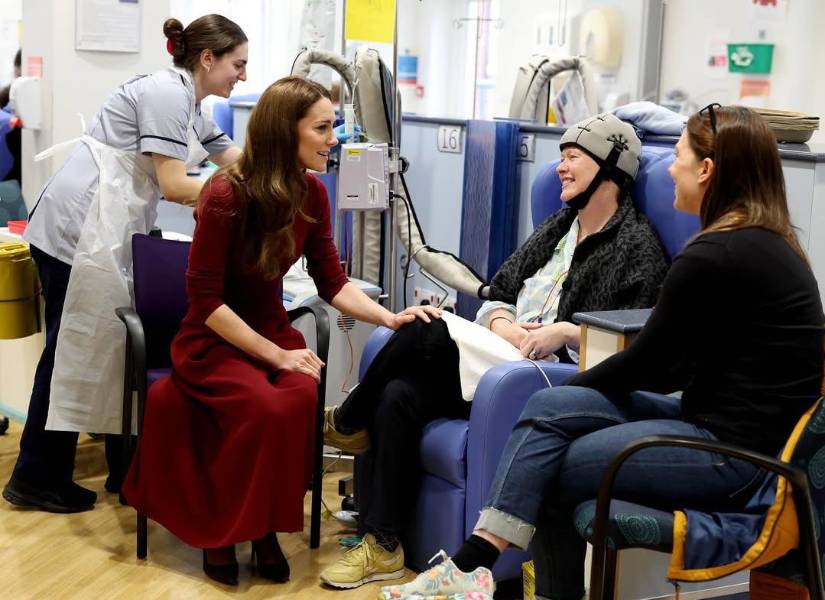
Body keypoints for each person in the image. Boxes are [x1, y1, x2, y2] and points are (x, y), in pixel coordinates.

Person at [384, 105, 825, 600]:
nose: (670, 170)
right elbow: (669, 367)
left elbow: (651, 366)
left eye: (679, 157)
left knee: (550, 464)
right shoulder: (764, 243)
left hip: (736, 458)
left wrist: (575, 383)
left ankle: (473, 568)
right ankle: (473, 570)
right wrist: (567, 395)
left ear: (707, 170)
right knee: (551, 406)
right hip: (718, 424)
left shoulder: (715, 255)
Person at [319, 114, 669, 590]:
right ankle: (383, 544)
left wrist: (564, 331)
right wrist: (502, 322)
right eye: (561, 157)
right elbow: (498, 292)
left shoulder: (638, 248)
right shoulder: (558, 227)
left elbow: (632, 347)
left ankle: (346, 422)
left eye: (573, 158)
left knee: (426, 329)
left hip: (544, 376)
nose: (561, 168)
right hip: (502, 354)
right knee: (399, 391)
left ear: (612, 169)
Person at [120, 76, 440, 586]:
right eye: (322, 127)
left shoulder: (313, 193)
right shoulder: (225, 194)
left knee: (296, 399)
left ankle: (265, 528)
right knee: (263, 404)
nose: (333, 139)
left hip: (273, 333)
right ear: (282, 131)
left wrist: (390, 317)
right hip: (214, 341)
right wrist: (276, 356)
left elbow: (333, 282)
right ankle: (223, 535)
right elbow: (206, 303)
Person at [2, 15, 248, 514]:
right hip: (77, 229)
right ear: (207, 58)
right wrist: (245, 192)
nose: (242, 76)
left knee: (105, 347)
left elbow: (232, 157)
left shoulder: (190, 103)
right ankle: (35, 477)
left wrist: (279, 168)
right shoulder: (165, 94)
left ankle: (121, 468)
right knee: (69, 349)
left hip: (103, 227)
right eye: (237, 64)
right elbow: (179, 185)